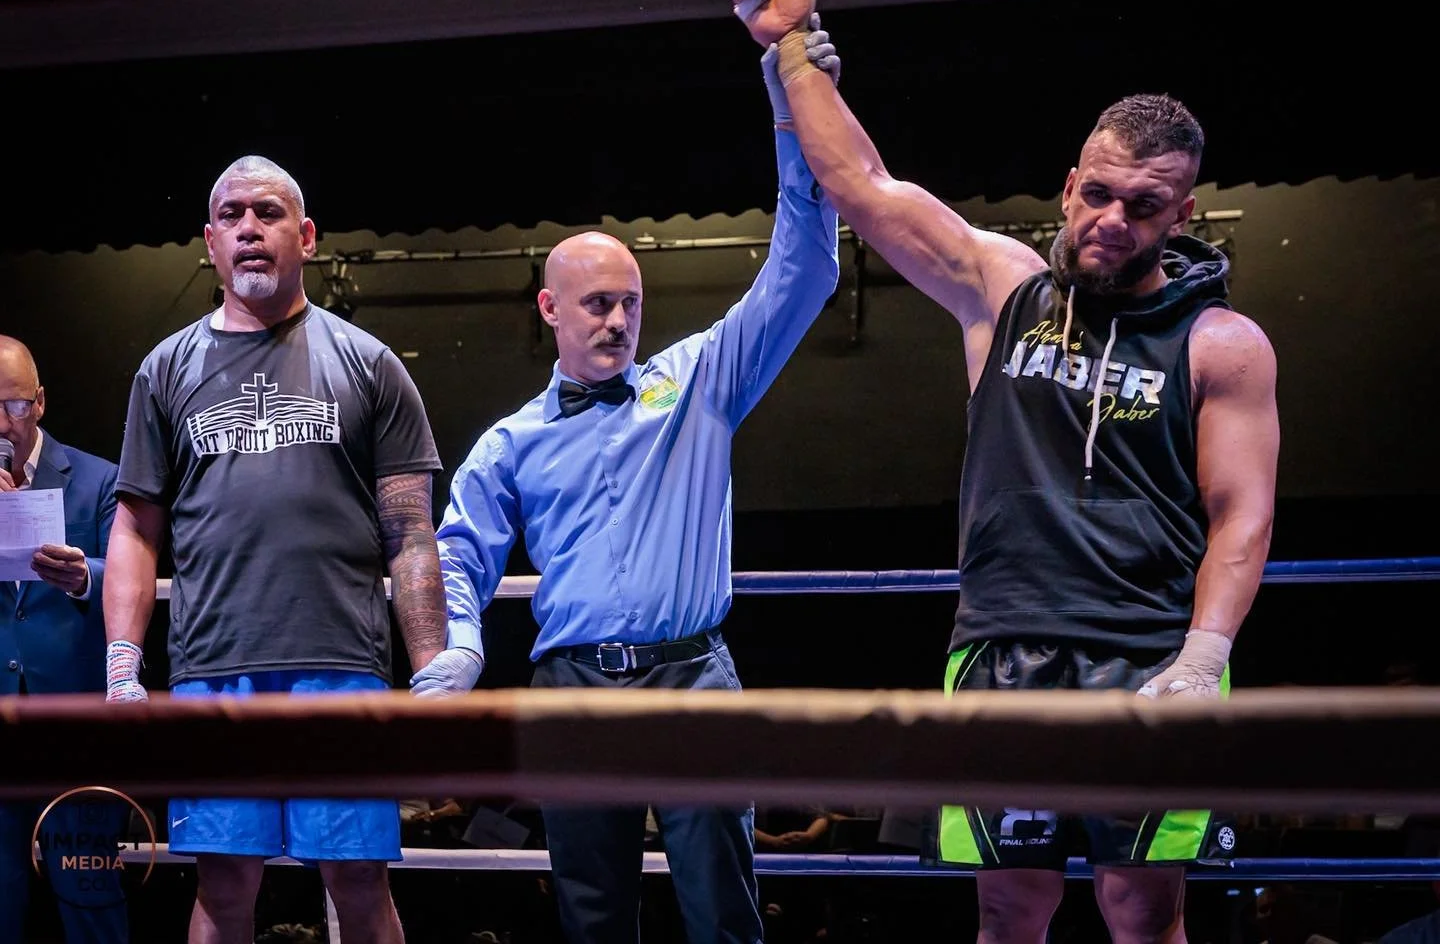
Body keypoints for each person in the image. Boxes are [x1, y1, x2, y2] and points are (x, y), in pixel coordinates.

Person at [731, 0, 1280, 944]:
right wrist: (795, 51)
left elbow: (1240, 514)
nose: (1112, 221)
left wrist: (1205, 658)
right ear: (1070, 184)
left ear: (1183, 213)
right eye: (1099, 194)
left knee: (1144, 910)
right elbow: (860, 183)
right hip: (1001, 650)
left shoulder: (1221, 344)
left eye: (1144, 206)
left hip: (1149, 651)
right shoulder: (1004, 289)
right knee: (1009, 903)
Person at [422, 83, 841, 944]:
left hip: (693, 677)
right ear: (550, 310)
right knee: (592, 914)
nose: (619, 322)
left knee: (725, 912)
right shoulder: (512, 441)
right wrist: (458, 642)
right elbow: (456, 552)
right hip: (572, 688)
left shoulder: (699, 382)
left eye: (631, 303)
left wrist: (793, 99)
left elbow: (804, 270)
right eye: (597, 304)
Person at [103, 155, 472, 944]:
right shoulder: (164, 370)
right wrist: (122, 662)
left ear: (304, 235)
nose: (248, 229)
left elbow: (408, 528)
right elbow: (136, 526)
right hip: (214, 667)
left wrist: (433, 665)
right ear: (210, 242)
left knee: (358, 880)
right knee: (223, 879)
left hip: (341, 664)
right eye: (231, 215)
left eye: (267, 213)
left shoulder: (370, 364)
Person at [0, 336, 128, 944]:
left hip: (75, 729)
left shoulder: (98, 478)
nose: (2, 423)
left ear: (41, 403)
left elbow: (127, 577)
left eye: (15, 406)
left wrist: (83, 577)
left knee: (90, 901)